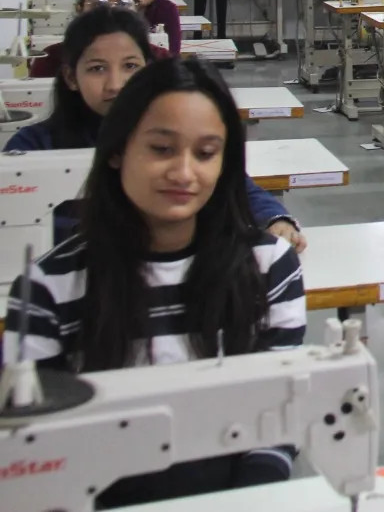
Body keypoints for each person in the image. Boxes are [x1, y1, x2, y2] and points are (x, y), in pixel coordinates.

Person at [3, 58, 306, 507]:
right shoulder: (48, 288)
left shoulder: (270, 266)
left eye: (206, 154)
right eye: (162, 149)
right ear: (117, 150)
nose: (184, 173)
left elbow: (277, 417)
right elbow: (40, 449)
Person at [5, 8, 304, 251]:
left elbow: (234, 183)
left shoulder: (169, 131)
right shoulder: (32, 147)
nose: (115, 84)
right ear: (71, 77)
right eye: (97, 68)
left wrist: (275, 218)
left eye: (130, 66)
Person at [30, 0, 140, 79]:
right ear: (79, 8)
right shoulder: (52, 59)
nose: (111, 11)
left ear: (137, 8)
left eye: (123, 3)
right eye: (100, 4)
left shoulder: (156, 56)